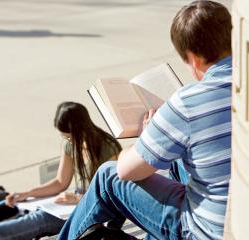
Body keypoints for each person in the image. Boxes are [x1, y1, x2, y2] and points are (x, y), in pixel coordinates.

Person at [57, 1, 232, 240]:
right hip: (236, 216)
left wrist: (150, 134)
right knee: (177, 158)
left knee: (107, 177)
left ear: (193, 58)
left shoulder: (188, 102)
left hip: (206, 232)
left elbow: (126, 171)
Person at [0, 101, 122, 240]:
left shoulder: (109, 148)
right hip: (70, 205)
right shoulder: (71, 144)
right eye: (64, 137)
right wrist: (26, 194)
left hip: (90, 210)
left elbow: (113, 195)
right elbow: (60, 182)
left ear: (81, 128)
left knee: (38, 219)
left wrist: (77, 198)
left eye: (69, 136)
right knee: (11, 204)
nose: (68, 141)